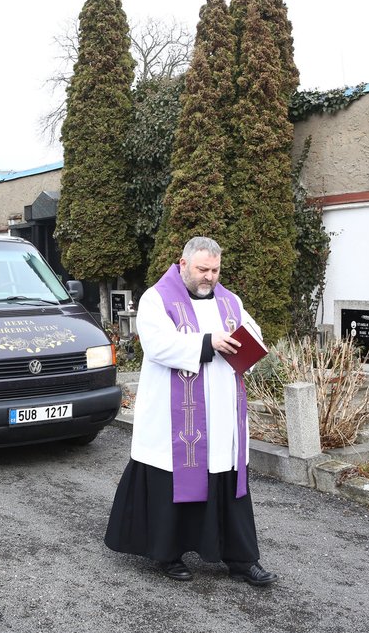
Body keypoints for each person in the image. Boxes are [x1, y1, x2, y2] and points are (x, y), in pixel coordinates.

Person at [104, 236, 278, 587]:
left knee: (228, 485)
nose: (209, 277)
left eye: (215, 270)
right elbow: (156, 345)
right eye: (202, 269)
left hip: (223, 416)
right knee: (173, 482)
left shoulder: (230, 301)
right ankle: (169, 554)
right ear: (182, 264)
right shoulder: (158, 298)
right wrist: (207, 342)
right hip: (176, 419)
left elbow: (253, 335)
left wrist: (249, 347)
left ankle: (242, 560)